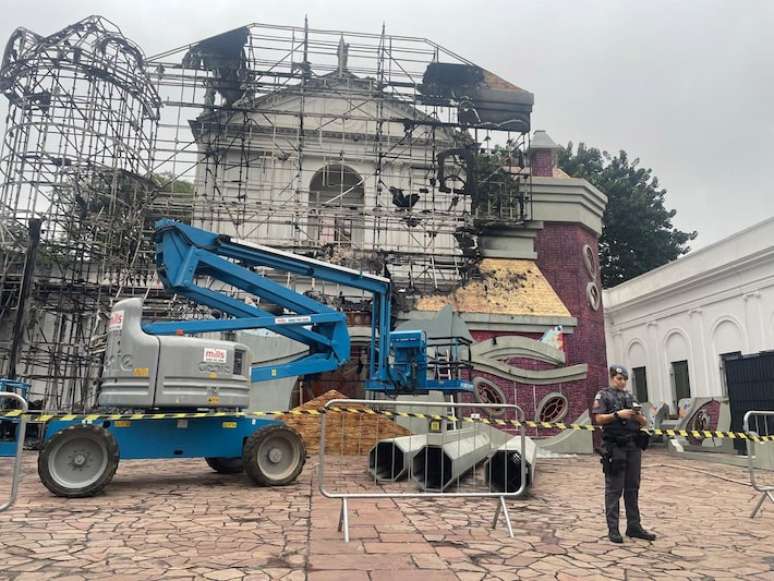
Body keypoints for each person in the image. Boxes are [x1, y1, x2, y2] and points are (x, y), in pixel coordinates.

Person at [592, 365, 657, 543]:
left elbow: (643, 420)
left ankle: (634, 526)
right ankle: (613, 529)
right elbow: (598, 418)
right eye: (618, 378)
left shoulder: (629, 396)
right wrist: (617, 414)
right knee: (614, 488)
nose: (621, 382)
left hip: (632, 445)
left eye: (624, 379)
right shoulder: (603, 395)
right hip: (615, 446)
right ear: (612, 378)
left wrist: (635, 416)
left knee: (632, 487)